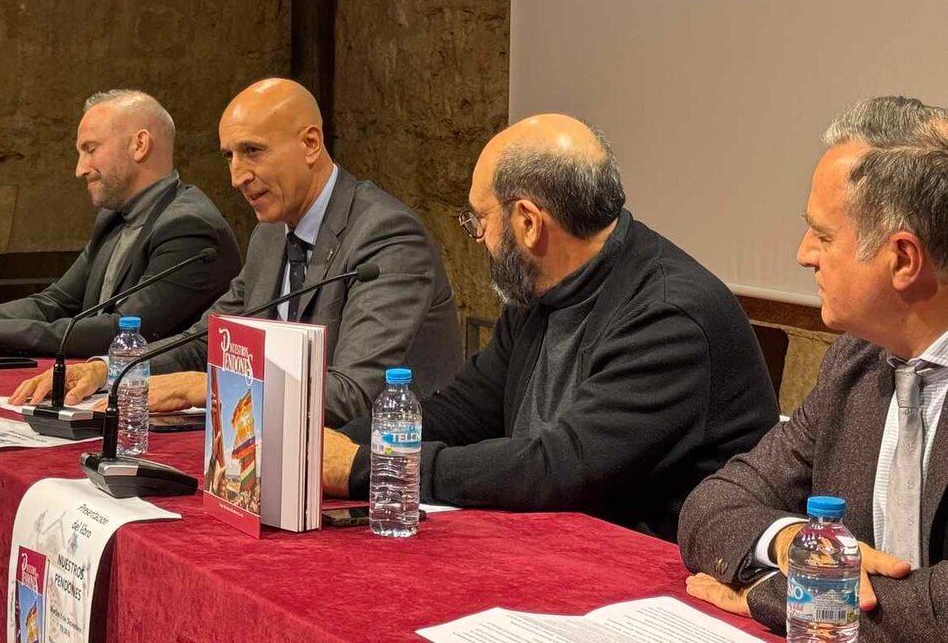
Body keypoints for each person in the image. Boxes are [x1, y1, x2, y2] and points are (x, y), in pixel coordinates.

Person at [321, 113, 778, 541]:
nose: (479, 240)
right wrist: (338, 444)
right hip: (560, 546)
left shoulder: (669, 317)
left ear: (528, 222)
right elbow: (464, 412)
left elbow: (562, 470)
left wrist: (374, 467)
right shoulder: (540, 291)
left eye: (479, 221)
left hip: (653, 579)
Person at [11, 78, 462, 426]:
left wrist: (203, 388)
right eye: (229, 155)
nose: (237, 176)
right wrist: (108, 370)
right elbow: (209, 339)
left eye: (253, 152)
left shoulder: (386, 235)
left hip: (388, 477)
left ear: (310, 144)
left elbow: (354, 394)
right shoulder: (270, 235)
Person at [679, 96, 948, 640]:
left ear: (902, 258)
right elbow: (712, 504)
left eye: (823, 236)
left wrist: (769, 594)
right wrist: (790, 542)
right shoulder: (856, 362)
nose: (805, 254)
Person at [0, 90, 241, 358]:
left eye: (90, 149)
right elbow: (54, 303)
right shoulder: (114, 217)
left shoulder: (190, 228)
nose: (80, 169)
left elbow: (123, 331)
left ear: (140, 145)